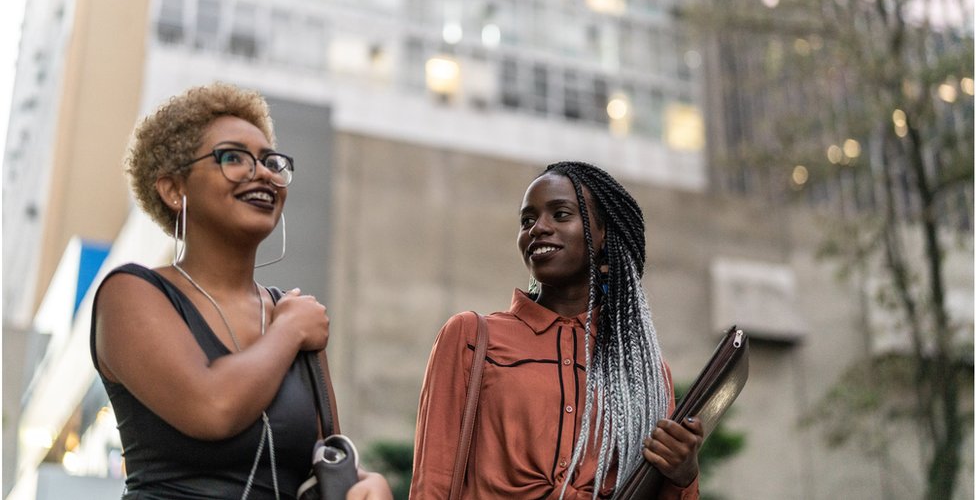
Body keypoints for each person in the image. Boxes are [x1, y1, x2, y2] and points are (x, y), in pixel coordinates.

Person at [90, 82, 391, 500]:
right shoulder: (131, 294)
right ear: (174, 190)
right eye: (233, 157)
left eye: (271, 161)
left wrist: (364, 482)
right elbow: (212, 409)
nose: (264, 172)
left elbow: (323, 465)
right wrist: (288, 332)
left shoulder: (296, 317)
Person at [411, 161, 702, 499]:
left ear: (604, 233)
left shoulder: (644, 371)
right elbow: (432, 482)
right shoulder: (471, 337)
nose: (538, 228)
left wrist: (683, 475)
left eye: (560, 215)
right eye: (527, 220)